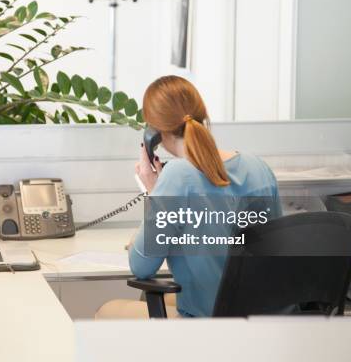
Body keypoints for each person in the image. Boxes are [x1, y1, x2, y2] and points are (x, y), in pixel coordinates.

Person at [95, 75, 282, 319]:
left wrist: (154, 194)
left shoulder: (177, 176)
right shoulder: (258, 167)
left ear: (155, 133)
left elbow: (141, 267)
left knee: (107, 311)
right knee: (151, 298)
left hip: (210, 322)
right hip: (262, 319)